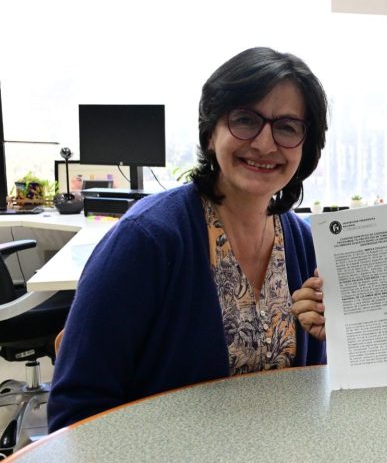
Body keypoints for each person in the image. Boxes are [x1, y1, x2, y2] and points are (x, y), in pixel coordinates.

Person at [48, 47, 328, 430]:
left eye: (287, 127)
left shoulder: (305, 244)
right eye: (245, 120)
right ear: (211, 133)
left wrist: (338, 337)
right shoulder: (147, 241)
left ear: (305, 146)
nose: (265, 144)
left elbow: (314, 389)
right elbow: (76, 406)